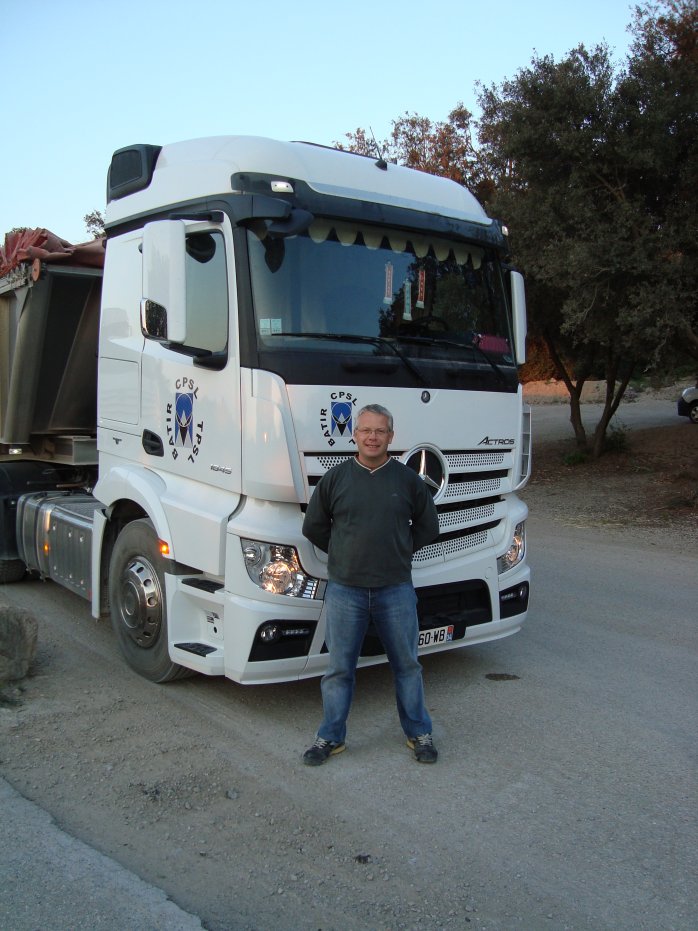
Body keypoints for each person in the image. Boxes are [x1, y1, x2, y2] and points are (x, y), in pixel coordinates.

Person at [301, 403, 440, 766]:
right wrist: (343, 551)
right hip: (346, 590)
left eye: (380, 431)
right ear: (355, 435)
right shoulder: (336, 479)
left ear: (391, 437)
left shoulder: (408, 480)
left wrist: (399, 549)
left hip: (395, 588)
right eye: (366, 430)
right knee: (339, 669)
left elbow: (428, 527)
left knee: (407, 666)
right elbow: (313, 526)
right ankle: (330, 737)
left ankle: (418, 733)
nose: (372, 437)